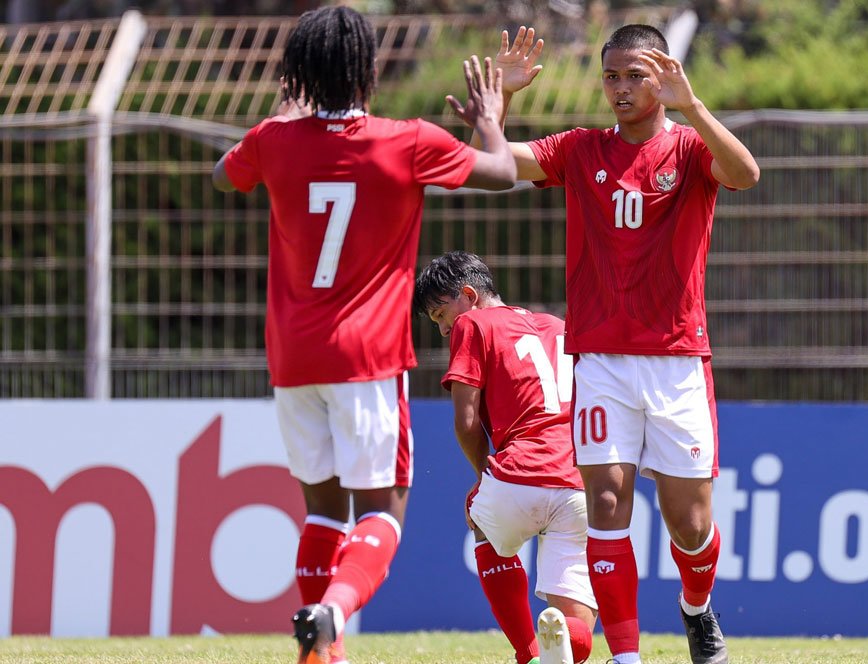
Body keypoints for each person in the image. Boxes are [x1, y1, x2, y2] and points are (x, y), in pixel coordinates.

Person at [211, 7, 516, 664]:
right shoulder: (404, 140)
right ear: (368, 70)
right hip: (367, 358)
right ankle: (332, 614)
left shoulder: (273, 138)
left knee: (322, 511)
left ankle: (321, 654)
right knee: (382, 511)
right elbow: (504, 173)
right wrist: (490, 120)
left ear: (300, 74)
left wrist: (283, 119)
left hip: (293, 358)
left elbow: (223, 174)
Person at [478, 24, 761, 664]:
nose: (623, 88)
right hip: (601, 361)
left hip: (678, 362)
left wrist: (692, 105)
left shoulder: (689, 150)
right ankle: (626, 657)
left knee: (691, 526)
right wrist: (501, 102)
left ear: (663, 75)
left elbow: (745, 173)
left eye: (637, 75)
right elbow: (494, 166)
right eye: (613, 77)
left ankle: (696, 607)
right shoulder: (581, 149)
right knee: (606, 504)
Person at [413, 250, 597, 664]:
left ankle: (529, 654)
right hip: (579, 481)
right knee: (575, 626)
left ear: (468, 295)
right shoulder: (557, 326)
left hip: (521, 472)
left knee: (482, 520)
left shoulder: (473, 323)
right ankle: (570, 642)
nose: (444, 329)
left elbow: (465, 421)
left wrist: (484, 477)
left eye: (441, 314)